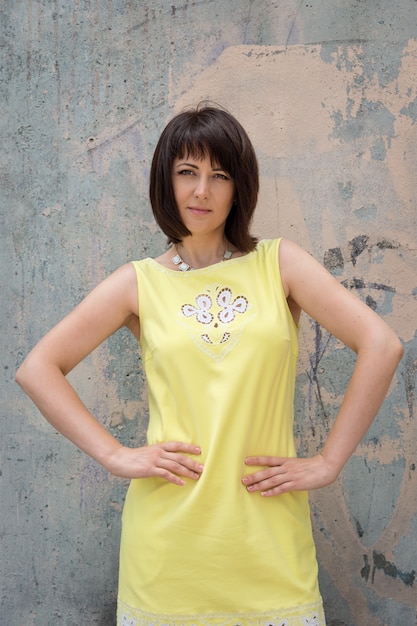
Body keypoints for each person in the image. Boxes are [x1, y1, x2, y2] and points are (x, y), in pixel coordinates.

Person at [16, 104, 403, 626]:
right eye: (187, 173)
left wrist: (329, 461)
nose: (202, 191)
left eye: (219, 175)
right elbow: (37, 368)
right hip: (168, 556)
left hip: (270, 548)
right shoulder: (138, 283)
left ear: (239, 185)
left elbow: (382, 344)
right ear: (165, 181)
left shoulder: (279, 263)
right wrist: (114, 455)